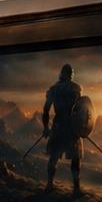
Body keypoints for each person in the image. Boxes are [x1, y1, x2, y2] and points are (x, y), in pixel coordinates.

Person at [40, 63, 83, 193]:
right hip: (71, 128)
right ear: (70, 75)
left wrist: (46, 127)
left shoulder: (54, 89)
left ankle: (49, 184)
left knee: (54, 157)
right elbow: (81, 109)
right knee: (74, 158)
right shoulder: (75, 89)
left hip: (59, 126)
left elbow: (46, 110)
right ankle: (76, 188)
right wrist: (81, 127)